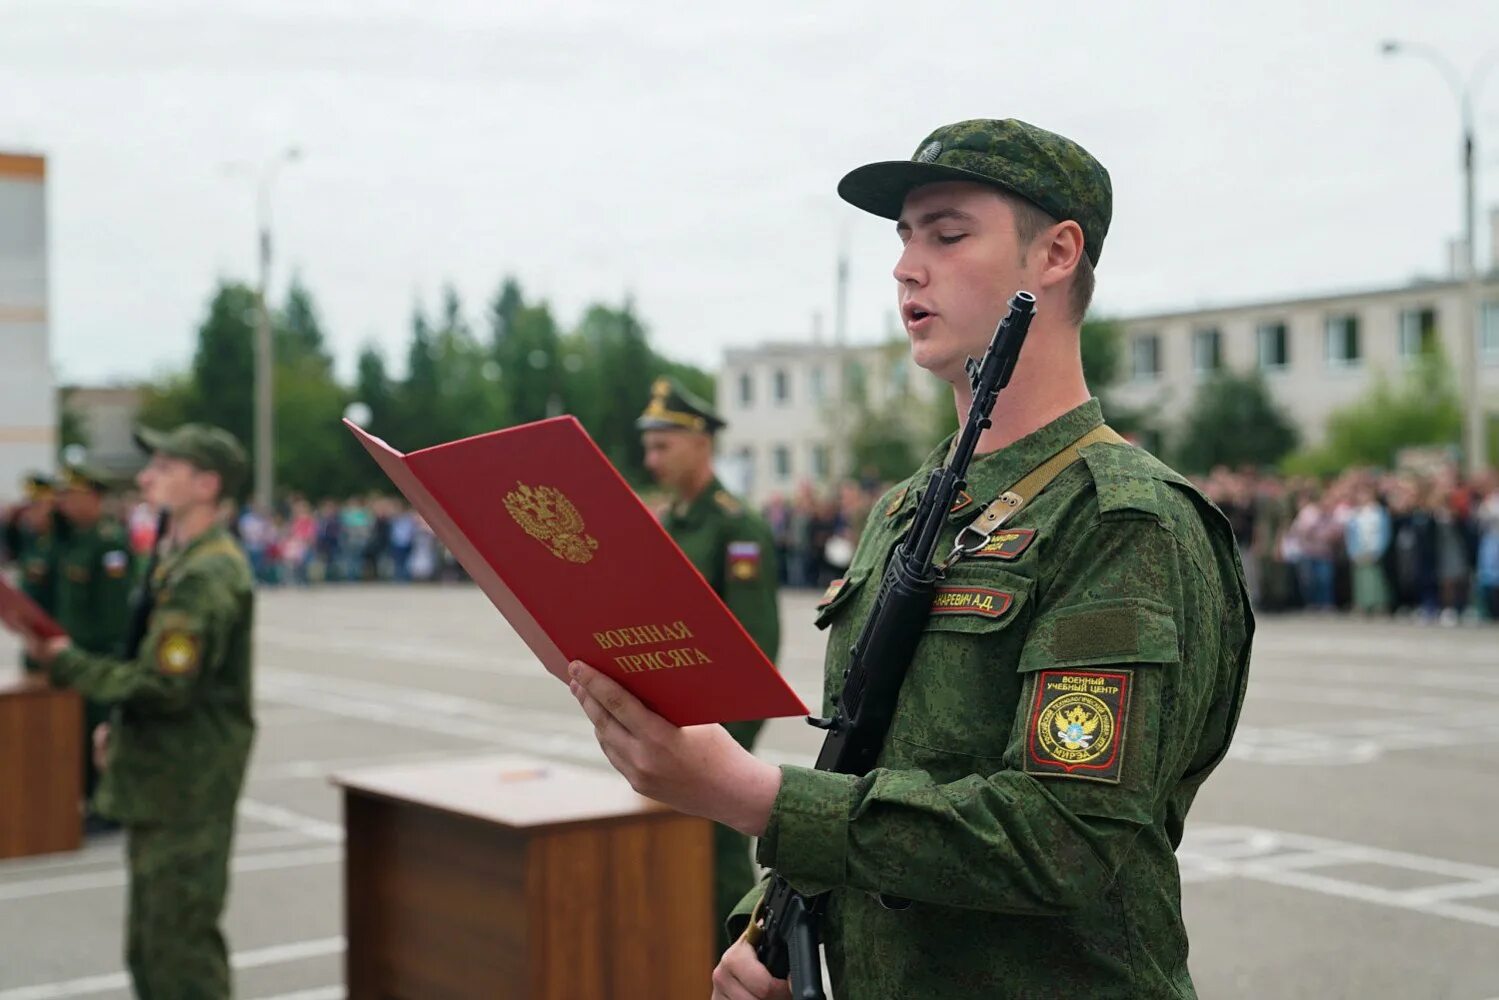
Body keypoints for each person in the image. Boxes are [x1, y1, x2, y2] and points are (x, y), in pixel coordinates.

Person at [566, 118, 1253, 999]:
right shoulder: (907, 509)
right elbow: (863, 765)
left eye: (948, 233)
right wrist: (775, 930)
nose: (905, 267)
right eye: (902, 237)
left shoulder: (1123, 520)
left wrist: (755, 797)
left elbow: (1059, 840)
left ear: (1055, 254)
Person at [2, 423, 256, 999]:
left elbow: (163, 687)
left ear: (207, 483)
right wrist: (116, 726)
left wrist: (66, 661)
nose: (145, 478)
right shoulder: (179, 560)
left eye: (165, 467)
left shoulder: (208, 573)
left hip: (187, 784)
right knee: (149, 947)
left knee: (179, 953)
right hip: (163, 776)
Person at [637, 375, 783, 951]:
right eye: (648, 447)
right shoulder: (668, 523)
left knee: (718, 861)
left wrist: (729, 741)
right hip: (664, 721)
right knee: (669, 862)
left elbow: (755, 640)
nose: (651, 459)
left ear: (701, 443)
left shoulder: (735, 526)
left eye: (663, 445)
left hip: (715, 731)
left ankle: (743, 963)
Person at [54, 466, 135, 831]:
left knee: (100, 732)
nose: (66, 503)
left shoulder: (108, 544)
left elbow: (114, 613)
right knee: (81, 733)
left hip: (100, 656)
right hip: (78, 656)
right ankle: (90, 801)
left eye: (74, 496)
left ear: (94, 499)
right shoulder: (75, 541)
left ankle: (109, 806)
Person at [2, 474, 60, 672]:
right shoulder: (33, 541)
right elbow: (11, 548)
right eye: (29, 507)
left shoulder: (60, 545)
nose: (31, 514)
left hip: (56, 640)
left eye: (38, 507)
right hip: (33, 637)